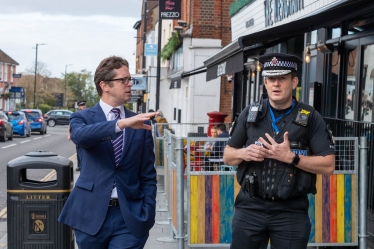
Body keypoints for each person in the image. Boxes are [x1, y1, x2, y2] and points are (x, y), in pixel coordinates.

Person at [224, 53, 335, 249]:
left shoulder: (310, 118)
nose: (276, 84)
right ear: (265, 83)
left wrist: (291, 158)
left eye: (282, 78)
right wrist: (244, 153)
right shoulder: (249, 114)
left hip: (290, 211)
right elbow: (228, 156)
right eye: (271, 79)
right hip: (250, 207)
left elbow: (328, 165)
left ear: (294, 82)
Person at [58, 56, 158, 249]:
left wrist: (148, 210)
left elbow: (147, 174)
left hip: (129, 216)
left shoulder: (139, 122)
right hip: (90, 215)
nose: (130, 84)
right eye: (123, 80)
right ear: (105, 85)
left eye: (130, 79)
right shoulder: (82, 117)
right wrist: (120, 124)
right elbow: (80, 136)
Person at [68, 100, 86, 171]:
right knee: (79, 151)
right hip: (79, 135)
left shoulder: (88, 113)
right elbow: (70, 125)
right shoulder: (76, 114)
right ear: (79, 107)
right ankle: (79, 165)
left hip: (86, 134)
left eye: (84, 105)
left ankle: (84, 165)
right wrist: (69, 135)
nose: (83, 106)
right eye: (81, 105)